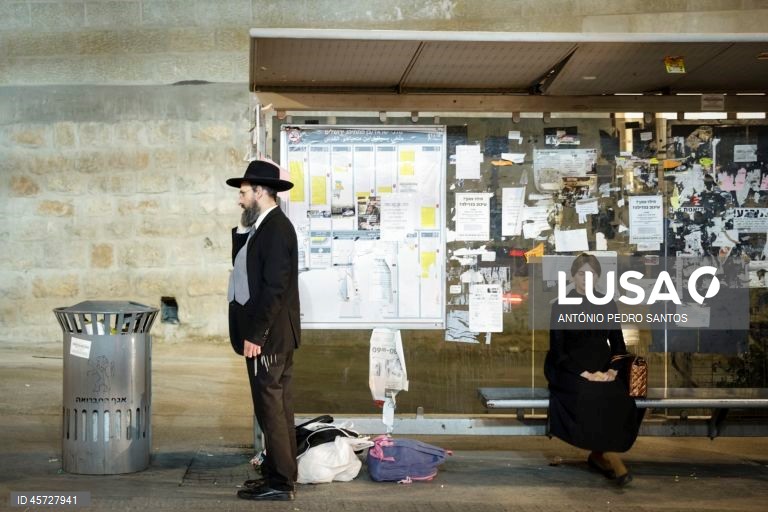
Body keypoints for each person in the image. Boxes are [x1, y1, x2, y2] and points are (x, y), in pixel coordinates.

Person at [225, 160, 301, 501]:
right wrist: (243, 232)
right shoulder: (263, 227)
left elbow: (274, 288)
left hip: (267, 339)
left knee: (271, 410)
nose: (239, 200)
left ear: (259, 191)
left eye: (243, 193)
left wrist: (256, 335)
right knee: (277, 409)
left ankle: (280, 483)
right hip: (271, 338)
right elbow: (244, 269)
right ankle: (279, 475)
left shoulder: (276, 230)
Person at [544, 253, 642, 487]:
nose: (586, 278)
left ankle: (599, 454)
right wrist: (585, 373)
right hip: (569, 368)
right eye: (581, 273)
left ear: (597, 276)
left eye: (591, 273)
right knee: (589, 393)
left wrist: (613, 370)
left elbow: (619, 346)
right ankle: (611, 457)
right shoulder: (561, 305)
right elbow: (558, 351)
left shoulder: (607, 303)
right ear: (572, 276)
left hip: (602, 366)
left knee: (618, 395)